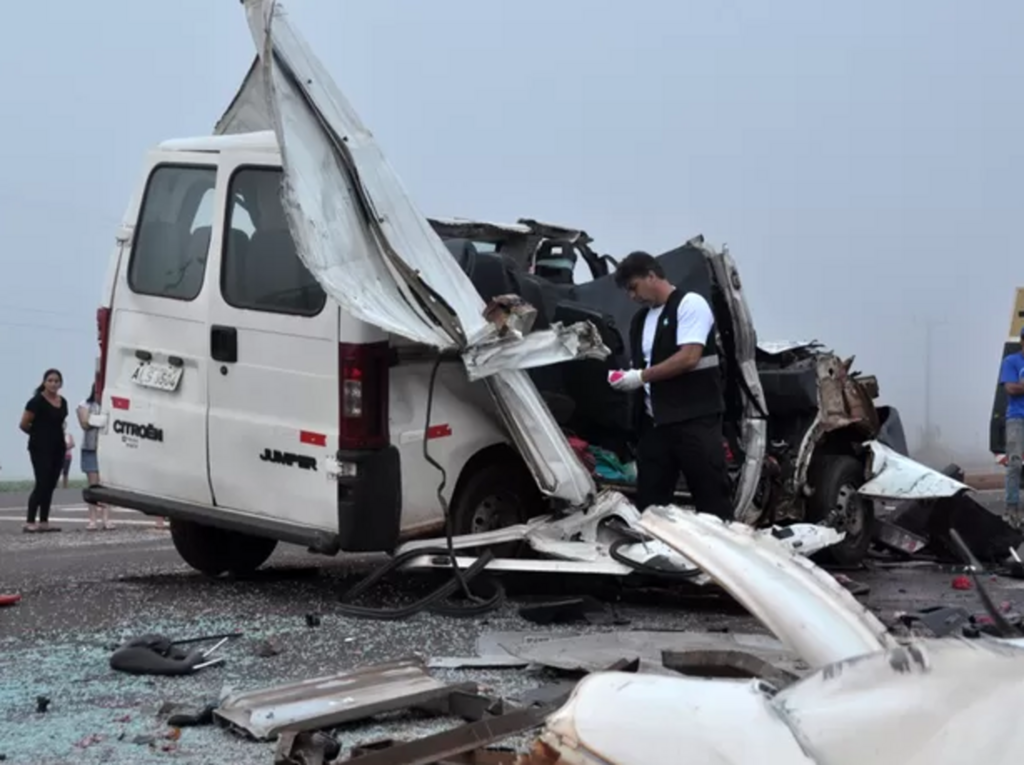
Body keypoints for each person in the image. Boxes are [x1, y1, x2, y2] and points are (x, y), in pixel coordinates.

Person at [607, 251, 733, 521]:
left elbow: (689, 357)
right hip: (655, 424)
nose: (632, 296)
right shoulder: (640, 320)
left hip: (694, 419)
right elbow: (644, 364)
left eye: (634, 287)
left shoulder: (689, 304)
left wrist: (641, 377)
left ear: (651, 276)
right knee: (652, 503)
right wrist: (625, 377)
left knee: (710, 496)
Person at [19, 369, 68, 533]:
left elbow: (61, 423)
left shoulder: (63, 402)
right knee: (42, 482)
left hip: (58, 448)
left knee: (51, 484)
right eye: (50, 380)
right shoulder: (36, 401)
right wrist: (38, 436)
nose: (53, 384)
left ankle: (44, 521)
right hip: (40, 448)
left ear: (60, 383)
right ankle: (30, 521)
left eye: (56, 381)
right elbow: (24, 424)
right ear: (44, 382)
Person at [77, 384, 113, 531]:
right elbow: (85, 423)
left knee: (106, 486)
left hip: (107, 449)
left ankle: (106, 519)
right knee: (93, 486)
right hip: (90, 448)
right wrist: (102, 420)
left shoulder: (110, 405)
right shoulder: (85, 404)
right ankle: (92, 520)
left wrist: (95, 420)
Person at [1000, 327, 1024, 528]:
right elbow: (1010, 388)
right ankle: (1011, 509)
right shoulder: (1012, 362)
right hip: (1017, 418)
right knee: (1015, 464)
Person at [61, 423, 75, 489]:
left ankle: (65, 486)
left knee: (65, 472)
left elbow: (72, 444)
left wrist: (65, 446)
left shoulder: (69, 435)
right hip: (57, 456)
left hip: (67, 456)